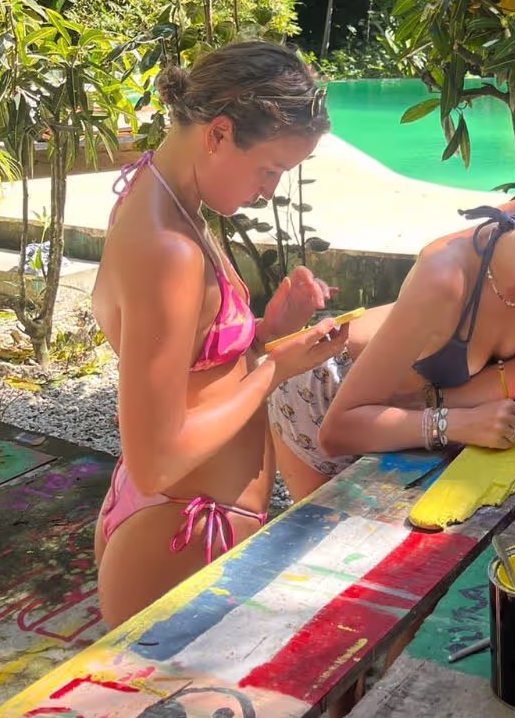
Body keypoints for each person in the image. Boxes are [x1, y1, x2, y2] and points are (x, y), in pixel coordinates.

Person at [92, 41, 348, 628]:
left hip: (174, 518)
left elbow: (186, 361)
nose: (269, 190)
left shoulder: (160, 197)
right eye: (270, 169)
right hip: (180, 531)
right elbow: (156, 461)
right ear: (219, 134)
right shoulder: (168, 249)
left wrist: (269, 330)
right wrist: (273, 369)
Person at [270, 162, 515, 503]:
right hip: (323, 390)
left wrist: (430, 403)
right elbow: (339, 430)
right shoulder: (446, 276)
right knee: (329, 540)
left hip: (396, 407)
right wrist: (454, 421)